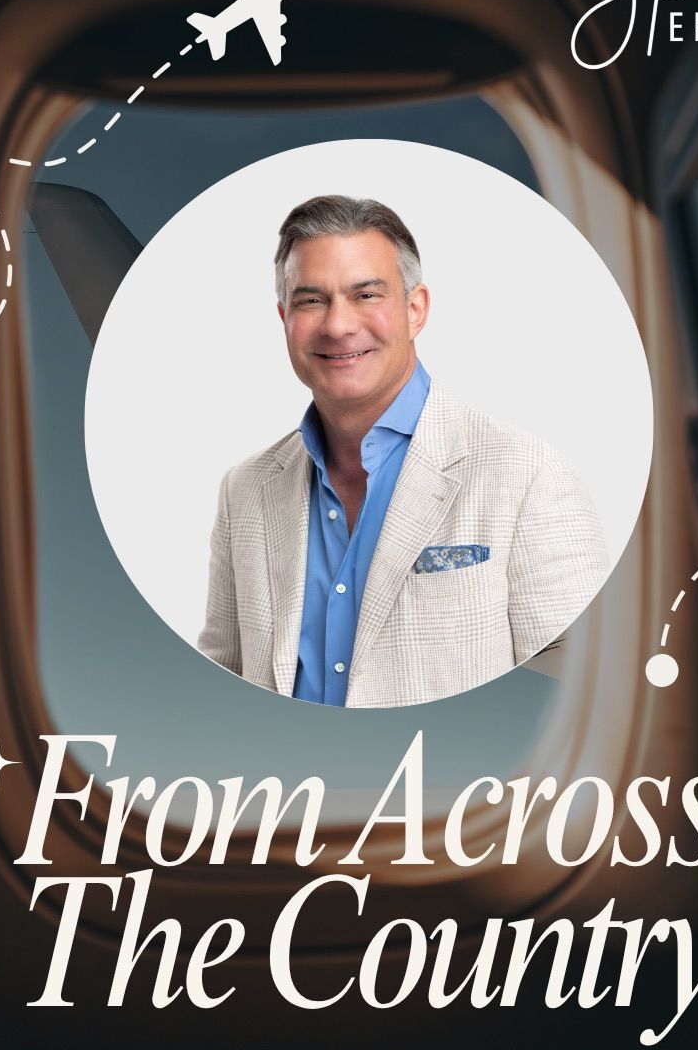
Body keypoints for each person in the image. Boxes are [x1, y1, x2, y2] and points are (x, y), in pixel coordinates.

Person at [198, 194, 607, 707]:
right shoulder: (245, 490)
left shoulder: (526, 475)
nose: (338, 325)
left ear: (415, 310)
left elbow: (587, 690)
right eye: (310, 300)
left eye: (366, 295)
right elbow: (217, 684)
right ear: (284, 318)